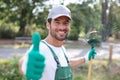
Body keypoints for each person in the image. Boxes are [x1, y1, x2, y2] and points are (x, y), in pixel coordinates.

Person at [18, 5, 96, 80]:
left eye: (66, 23)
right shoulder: (41, 48)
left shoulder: (62, 49)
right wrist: (25, 66)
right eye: (57, 22)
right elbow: (25, 62)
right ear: (48, 25)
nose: (61, 27)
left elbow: (67, 63)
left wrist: (85, 58)